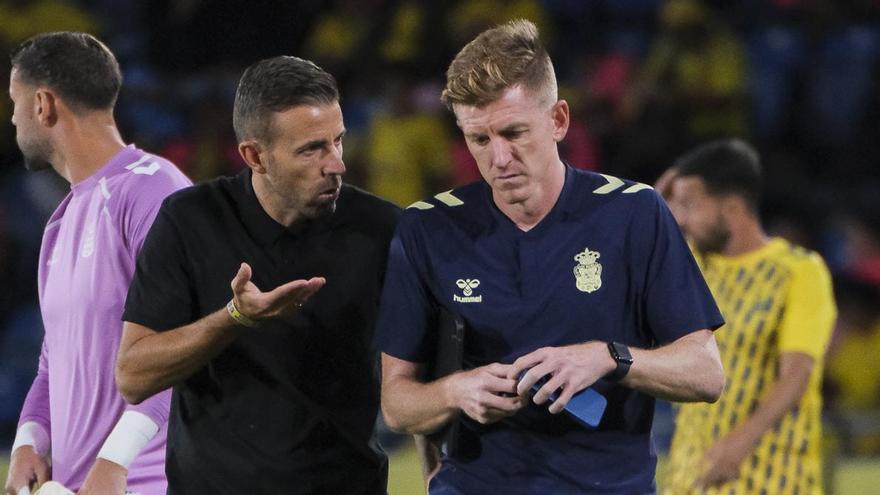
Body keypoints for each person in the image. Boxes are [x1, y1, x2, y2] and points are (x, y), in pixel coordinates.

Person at [374, 19, 725, 494]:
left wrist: (610, 358)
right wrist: (458, 390)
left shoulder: (633, 213)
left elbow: (706, 373)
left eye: (513, 132)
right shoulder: (428, 229)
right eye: (479, 139)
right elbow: (397, 404)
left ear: (558, 120)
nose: (499, 158)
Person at [114, 56, 400, 494]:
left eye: (338, 141)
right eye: (311, 149)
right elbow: (134, 376)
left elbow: (427, 366)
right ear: (254, 155)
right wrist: (234, 317)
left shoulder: (381, 229)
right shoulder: (191, 220)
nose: (336, 164)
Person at [3, 32, 191, 495]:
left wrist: (115, 460)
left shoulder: (154, 189)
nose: (10, 117)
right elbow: (55, 357)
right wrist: (31, 438)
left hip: (148, 483)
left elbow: (190, 343)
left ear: (43, 104)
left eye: (14, 101)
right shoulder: (61, 222)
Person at [658, 139, 837, 493]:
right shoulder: (695, 266)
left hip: (774, 480)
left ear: (732, 208)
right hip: (689, 481)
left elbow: (797, 374)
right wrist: (662, 188)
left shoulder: (799, 271)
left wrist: (741, 442)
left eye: (692, 205)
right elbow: (639, 240)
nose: (682, 217)